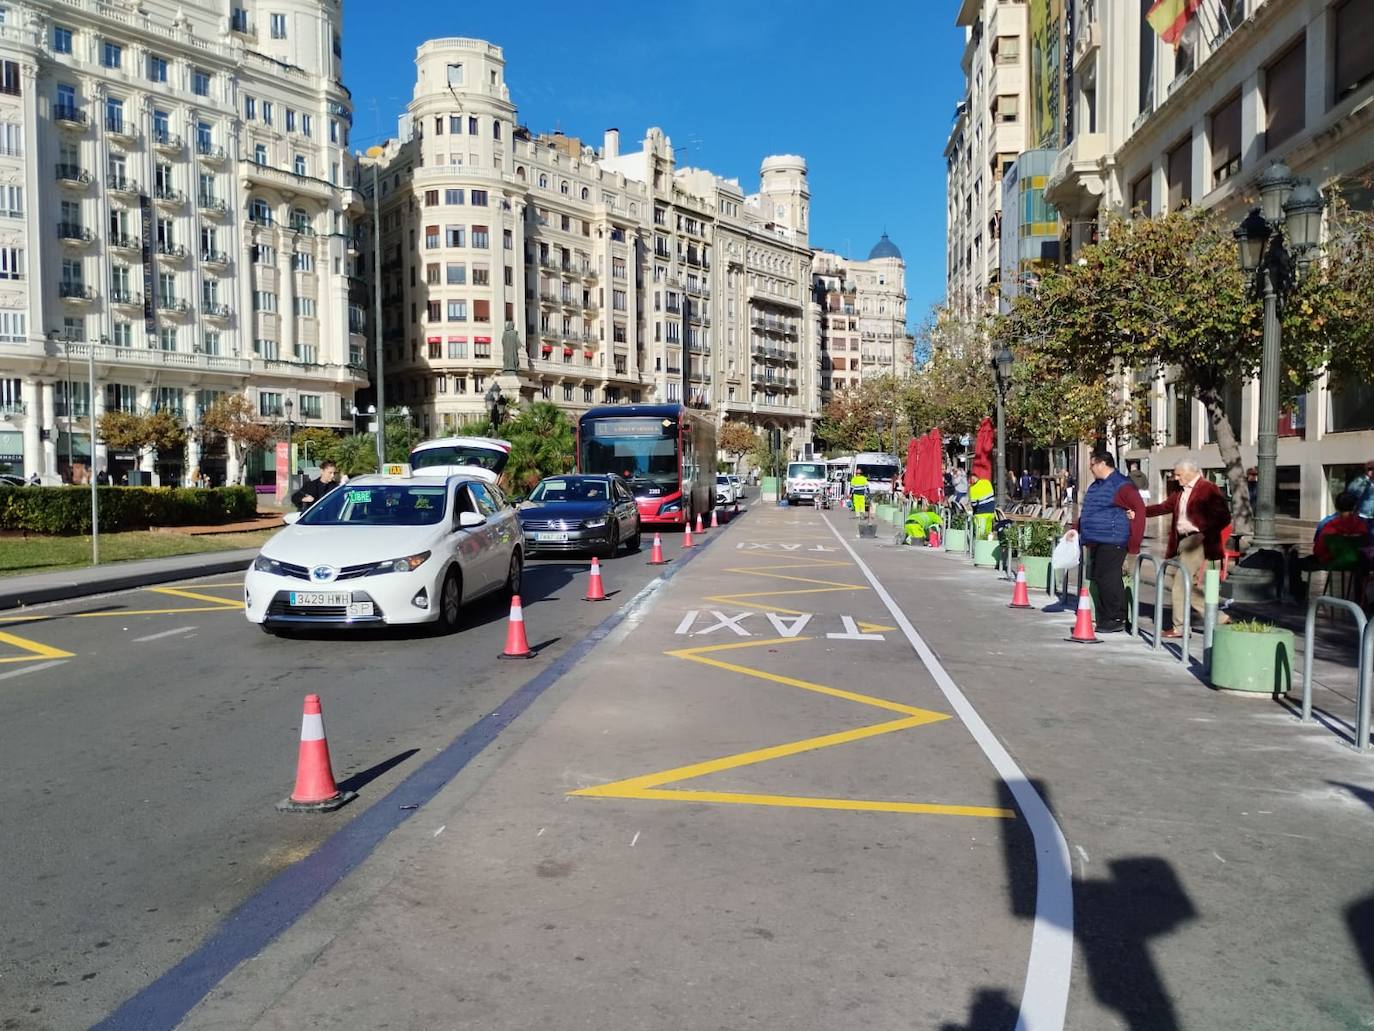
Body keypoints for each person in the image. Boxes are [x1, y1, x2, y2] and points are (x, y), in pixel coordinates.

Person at [1142, 459, 1232, 638]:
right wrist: (1140, 511)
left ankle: (1180, 626)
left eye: (1178, 474)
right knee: (1183, 582)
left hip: (1197, 540)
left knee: (1180, 583)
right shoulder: (1180, 491)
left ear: (1190, 472)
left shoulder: (1207, 488)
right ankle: (1218, 617)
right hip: (1182, 541)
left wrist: (1204, 531)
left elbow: (1224, 517)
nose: (1175, 478)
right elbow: (1164, 507)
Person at [1069, 451, 1145, 633]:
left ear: (1103, 464)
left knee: (1108, 578)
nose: (1090, 468)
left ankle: (1116, 617)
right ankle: (1106, 617)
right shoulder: (1097, 485)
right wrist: (1076, 529)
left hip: (1113, 538)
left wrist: (1134, 542)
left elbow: (1139, 510)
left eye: (1093, 464)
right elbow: (1090, 511)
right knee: (1100, 577)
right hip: (1097, 538)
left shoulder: (1121, 485)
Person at [968, 473, 996, 539]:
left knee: (980, 535)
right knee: (988, 533)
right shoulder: (987, 483)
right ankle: (988, 547)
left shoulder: (972, 488)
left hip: (980, 514)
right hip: (990, 512)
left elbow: (974, 504)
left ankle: (980, 547)